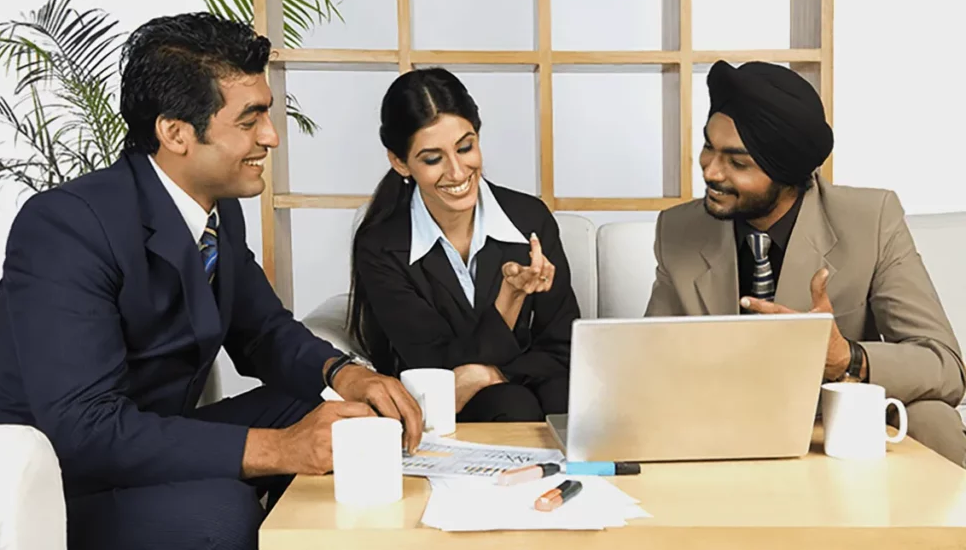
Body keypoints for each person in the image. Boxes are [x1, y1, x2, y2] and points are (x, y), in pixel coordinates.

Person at [0, 12, 422, 550]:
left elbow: (263, 332)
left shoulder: (218, 210)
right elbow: (86, 429)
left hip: (143, 445)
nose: (271, 137)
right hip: (43, 484)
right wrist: (281, 450)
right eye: (250, 120)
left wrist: (346, 374)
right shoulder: (67, 224)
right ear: (175, 132)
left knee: (329, 413)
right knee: (220, 514)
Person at [644, 59, 966, 467]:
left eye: (737, 162)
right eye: (708, 146)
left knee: (932, 416)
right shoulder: (679, 229)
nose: (710, 170)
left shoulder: (870, 219)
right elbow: (651, 364)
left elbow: (945, 366)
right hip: (720, 424)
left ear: (788, 175)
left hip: (832, 423)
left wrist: (846, 358)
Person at [347, 67, 581, 423]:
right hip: (439, 408)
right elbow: (439, 369)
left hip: (527, 388)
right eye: (432, 159)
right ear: (400, 162)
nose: (457, 172)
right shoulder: (381, 246)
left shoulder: (529, 219)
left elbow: (565, 348)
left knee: (561, 396)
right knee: (511, 403)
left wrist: (490, 374)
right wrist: (510, 297)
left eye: (465, 147)